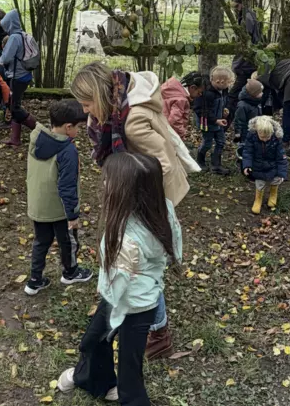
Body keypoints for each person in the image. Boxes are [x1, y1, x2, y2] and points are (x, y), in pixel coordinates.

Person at [70, 62, 199, 359]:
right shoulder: (120, 106)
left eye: (88, 104)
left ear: (101, 97)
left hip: (148, 202)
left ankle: (159, 331)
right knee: (142, 264)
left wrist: (149, 212)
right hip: (135, 195)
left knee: (145, 268)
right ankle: (153, 324)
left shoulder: (131, 121)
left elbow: (161, 166)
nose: (86, 111)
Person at [56, 152, 183, 406]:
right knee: (93, 341)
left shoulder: (127, 238)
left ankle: (127, 396)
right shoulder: (162, 208)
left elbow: (118, 284)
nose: (103, 184)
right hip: (131, 299)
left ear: (128, 192)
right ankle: (100, 383)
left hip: (131, 305)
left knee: (129, 369)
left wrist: (113, 317)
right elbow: (175, 249)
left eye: (108, 181)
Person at [25, 100, 94, 295]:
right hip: (59, 209)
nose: (80, 131)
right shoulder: (67, 150)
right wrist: (73, 215)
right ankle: (70, 272)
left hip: (38, 205)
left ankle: (34, 280)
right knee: (68, 240)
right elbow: (67, 186)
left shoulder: (38, 138)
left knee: (41, 241)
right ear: (68, 127)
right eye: (79, 127)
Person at [0, 9, 41, 146]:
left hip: (17, 76)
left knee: (15, 107)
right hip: (25, 75)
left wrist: (0, 61)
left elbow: (6, 58)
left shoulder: (14, 38)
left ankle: (41, 131)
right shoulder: (24, 34)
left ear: (9, 24)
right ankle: (15, 139)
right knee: (13, 104)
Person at [189, 68, 237, 175]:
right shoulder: (206, 93)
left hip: (218, 122)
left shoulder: (223, 90)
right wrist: (215, 120)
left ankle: (216, 165)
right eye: (228, 82)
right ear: (219, 82)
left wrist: (225, 109)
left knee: (221, 142)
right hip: (207, 124)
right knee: (207, 143)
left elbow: (224, 101)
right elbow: (200, 109)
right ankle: (200, 161)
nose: (229, 85)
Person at [239, 116, 287, 215]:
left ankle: (273, 194)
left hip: (272, 165)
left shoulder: (276, 139)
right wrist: (247, 165)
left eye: (267, 137)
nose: (265, 139)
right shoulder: (252, 137)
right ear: (257, 132)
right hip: (258, 166)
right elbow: (247, 152)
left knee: (276, 179)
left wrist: (282, 173)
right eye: (262, 137)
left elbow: (281, 157)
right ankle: (258, 199)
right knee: (259, 183)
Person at [230, 0, 265, 93]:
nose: (236, 9)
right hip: (248, 60)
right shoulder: (250, 15)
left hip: (245, 62)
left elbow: (246, 37)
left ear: (242, 4)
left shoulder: (247, 17)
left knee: (236, 91)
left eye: (237, 6)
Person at [231, 79, 266, 146]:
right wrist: (238, 134)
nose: (262, 93)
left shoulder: (256, 102)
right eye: (260, 92)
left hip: (256, 130)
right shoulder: (242, 106)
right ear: (253, 94)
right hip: (246, 132)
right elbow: (238, 120)